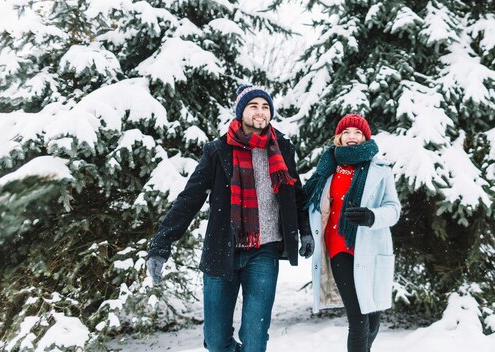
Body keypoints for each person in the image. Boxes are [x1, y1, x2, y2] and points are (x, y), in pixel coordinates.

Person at [146, 84, 314, 352]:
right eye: (253, 106)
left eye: (265, 107)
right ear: (240, 112)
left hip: (264, 251)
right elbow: (190, 199)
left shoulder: (281, 148)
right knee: (215, 341)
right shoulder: (218, 150)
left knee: (255, 337)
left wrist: (304, 230)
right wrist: (160, 244)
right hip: (221, 249)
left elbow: (296, 195)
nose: (261, 112)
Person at [304, 114, 401, 352]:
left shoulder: (380, 169)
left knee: (372, 321)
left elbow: (394, 209)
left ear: (365, 137)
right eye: (346, 132)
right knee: (358, 320)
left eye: (357, 133)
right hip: (339, 248)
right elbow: (309, 205)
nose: (351, 137)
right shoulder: (326, 169)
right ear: (339, 137)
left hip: (371, 249)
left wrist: (372, 216)